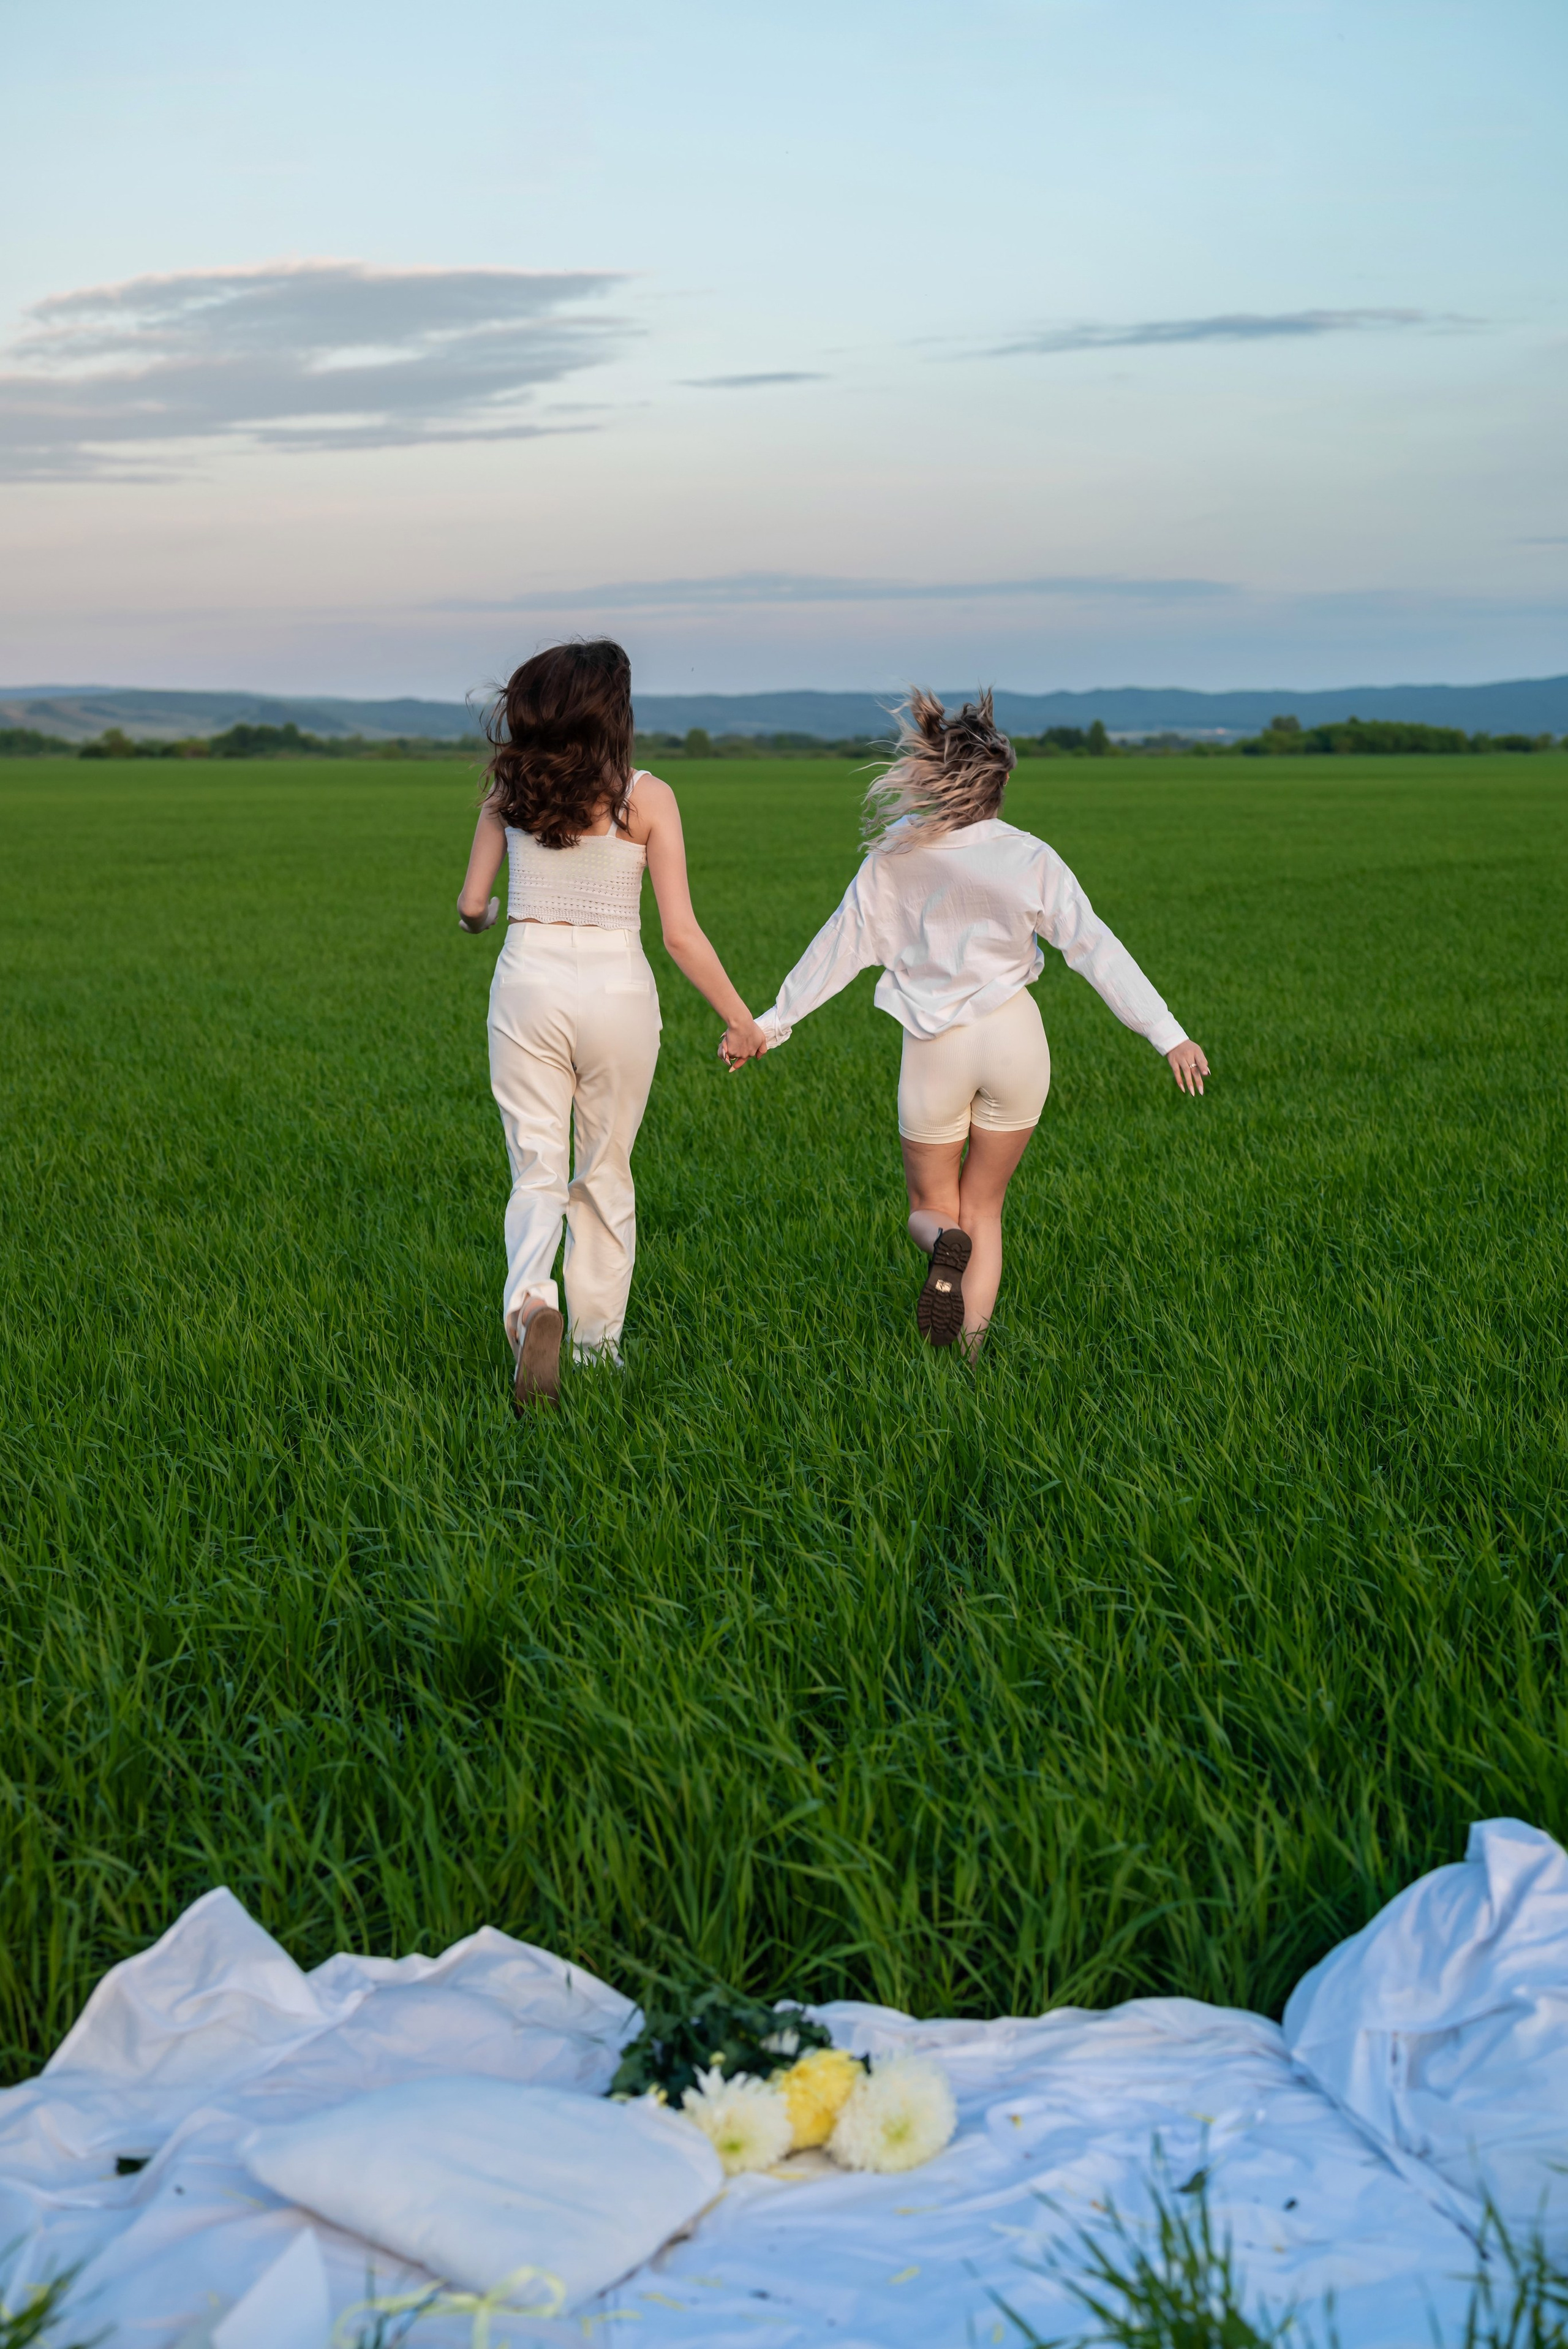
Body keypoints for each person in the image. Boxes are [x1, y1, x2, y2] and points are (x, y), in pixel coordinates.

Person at [731, 689, 1208, 1354]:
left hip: (935, 1048)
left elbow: (837, 950)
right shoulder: (1029, 856)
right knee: (986, 1206)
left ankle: (940, 1247)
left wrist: (770, 1023)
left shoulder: (893, 856)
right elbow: (1094, 948)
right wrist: (1168, 1033)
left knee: (933, 1208)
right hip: (1015, 1040)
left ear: (930, 775)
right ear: (1000, 781)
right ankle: (970, 1363)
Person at [457, 638, 764, 1410]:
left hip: (529, 975)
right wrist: (741, 1021)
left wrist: (486, 917)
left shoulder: (508, 792)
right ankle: (596, 1352)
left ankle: (531, 1305)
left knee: (535, 1166)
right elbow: (680, 934)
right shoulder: (645, 797)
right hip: (617, 988)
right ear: (612, 713)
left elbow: (470, 907)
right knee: (603, 1172)